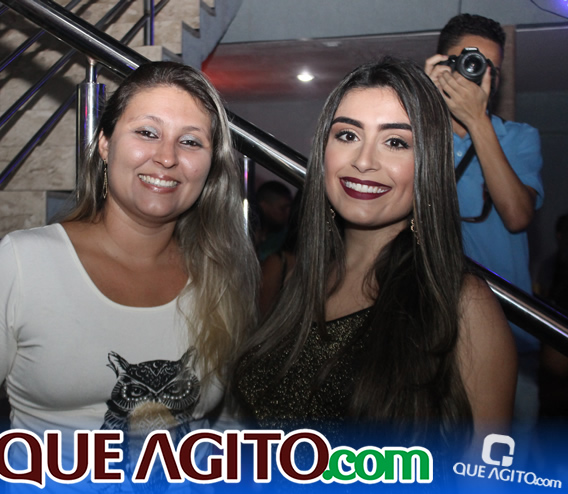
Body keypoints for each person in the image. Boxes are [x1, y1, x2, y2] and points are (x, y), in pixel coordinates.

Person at [0, 62, 259, 468]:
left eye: (190, 141)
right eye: (147, 133)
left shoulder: (219, 275)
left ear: (210, 164)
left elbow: (227, 429)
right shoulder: (23, 265)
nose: (167, 157)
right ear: (105, 145)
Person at [233, 57, 516, 457]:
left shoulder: (462, 304)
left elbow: (485, 477)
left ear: (428, 164)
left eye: (396, 142)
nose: (363, 161)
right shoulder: (304, 278)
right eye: (347, 135)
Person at [424, 14, 544, 428]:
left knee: (501, 460)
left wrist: (477, 121)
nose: (478, 72)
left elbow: (517, 215)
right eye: (467, 60)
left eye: (489, 66)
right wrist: (421, 103)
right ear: (441, 64)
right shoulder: (416, 135)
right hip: (430, 340)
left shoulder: (519, 137)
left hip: (512, 333)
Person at [253, 180, 293, 261]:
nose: (287, 214)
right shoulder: (249, 231)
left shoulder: (285, 236)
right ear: (263, 206)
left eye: (289, 209)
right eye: (282, 209)